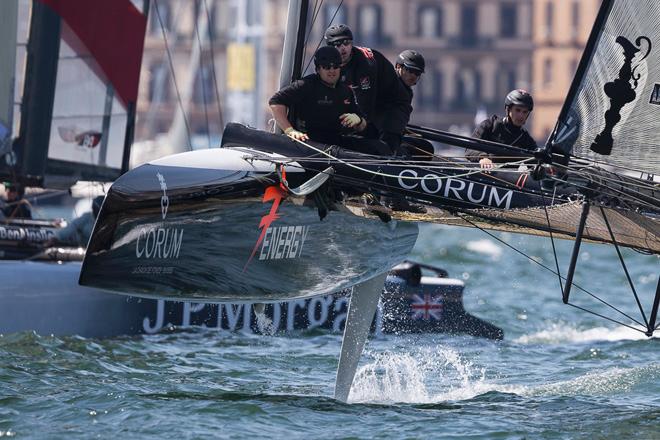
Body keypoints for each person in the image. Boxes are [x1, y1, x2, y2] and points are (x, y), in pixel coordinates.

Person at [324, 24, 411, 154]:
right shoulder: (329, 63)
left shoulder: (365, 64)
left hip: (393, 104)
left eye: (346, 43)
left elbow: (365, 105)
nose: (342, 48)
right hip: (373, 101)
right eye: (337, 44)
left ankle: (398, 155)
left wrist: (353, 124)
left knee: (385, 143)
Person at [269, 46, 368, 146]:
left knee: (377, 146)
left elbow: (362, 126)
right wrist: (289, 130)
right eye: (326, 67)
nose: (332, 71)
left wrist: (359, 120)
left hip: (335, 143)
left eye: (335, 66)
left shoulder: (345, 90)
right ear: (318, 69)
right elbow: (275, 102)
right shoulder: (306, 85)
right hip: (309, 143)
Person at [467, 89, 538, 169]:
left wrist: (545, 167)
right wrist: (483, 158)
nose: (521, 116)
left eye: (525, 112)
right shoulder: (489, 125)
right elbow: (469, 149)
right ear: (508, 109)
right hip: (481, 174)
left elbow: (536, 162)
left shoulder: (526, 139)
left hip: (506, 179)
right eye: (517, 110)